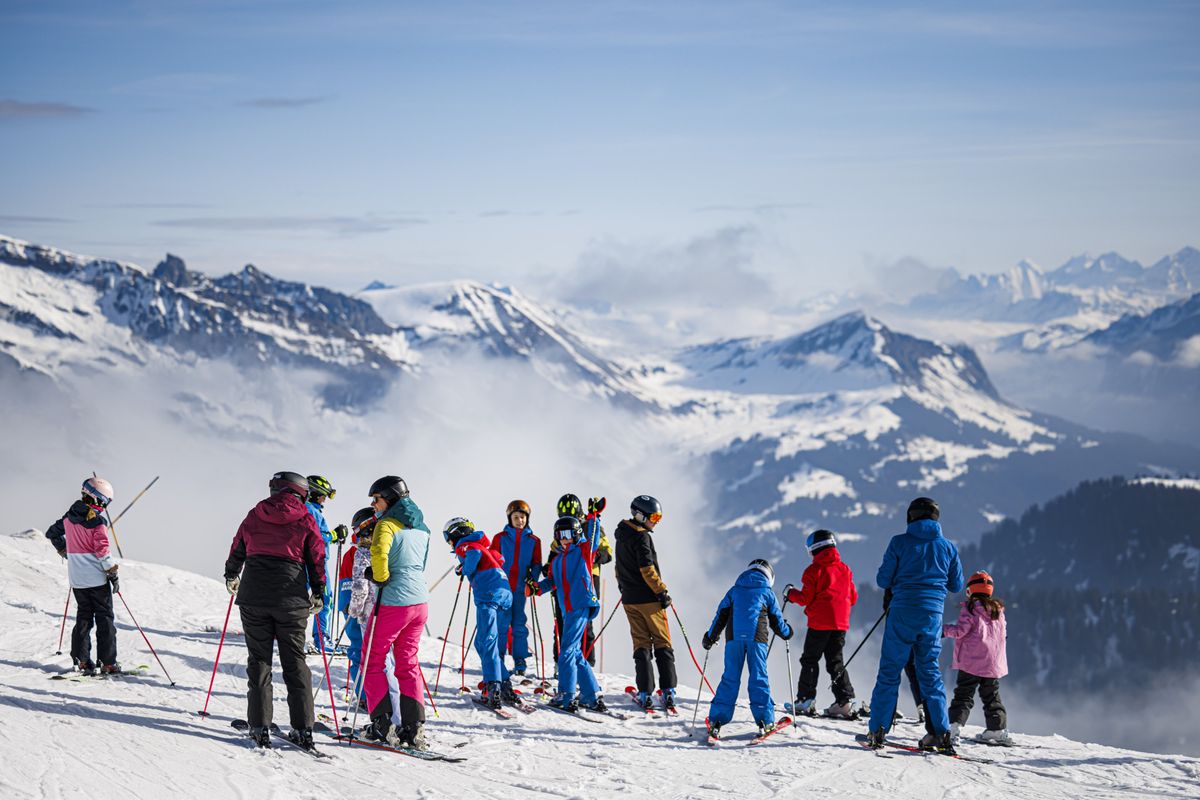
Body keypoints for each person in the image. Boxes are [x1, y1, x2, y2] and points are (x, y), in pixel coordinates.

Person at [223, 471, 326, 749]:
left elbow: (238, 545)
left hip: (254, 595)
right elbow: (316, 557)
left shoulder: (256, 513)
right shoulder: (305, 518)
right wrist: (318, 591)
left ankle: (259, 727)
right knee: (295, 661)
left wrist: (231, 574)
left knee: (259, 661)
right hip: (291, 599)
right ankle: (303, 729)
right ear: (302, 492)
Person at [865, 496, 964, 754]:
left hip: (902, 612)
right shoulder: (948, 547)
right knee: (929, 672)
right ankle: (939, 733)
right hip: (932, 615)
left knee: (890, 670)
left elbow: (882, 578)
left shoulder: (899, 542)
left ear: (911, 516)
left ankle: (878, 730)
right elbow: (956, 585)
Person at [363, 475, 431, 749]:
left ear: (389, 498)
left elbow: (379, 554)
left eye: (376, 499)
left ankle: (382, 724)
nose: (373, 504)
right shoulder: (422, 527)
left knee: (372, 657)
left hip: (394, 601)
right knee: (407, 661)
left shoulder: (386, 524)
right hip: (420, 602)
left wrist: (378, 576)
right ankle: (413, 728)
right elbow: (423, 562)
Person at [701, 559, 792, 739]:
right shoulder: (767, 592)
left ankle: (717, 720)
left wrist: (710, 638)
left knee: (730, 678)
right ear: (768, 576)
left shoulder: (734, 591)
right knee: (758, 677)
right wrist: (787, 632)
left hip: (733, 639)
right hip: (757, 640)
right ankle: (765, 721)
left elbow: (720, 616)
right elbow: (777, 622)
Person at [46, 477, 121, 675]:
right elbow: (103, 551)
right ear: (96, 500)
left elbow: (51, 533)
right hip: (97, 579)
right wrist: (112, 573)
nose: (104, 507)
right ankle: (108, 663)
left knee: (84, 618)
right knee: (105, 619)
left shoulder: (69, 517)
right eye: (104, 503)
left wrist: (64, 550)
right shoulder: (97, 522)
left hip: (77, 580)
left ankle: (82, 661)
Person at [784, 529, 858, 719]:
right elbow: (853, 598)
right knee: (835, 661)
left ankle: (805, 700)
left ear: (815, 549)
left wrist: (790, 593)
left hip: (819, 623)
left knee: (810, 659)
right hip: (840, 624)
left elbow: (805, 598)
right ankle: (845, 700)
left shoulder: (813, 570)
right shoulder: (845, 569)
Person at [614, 494, 677, 711]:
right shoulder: (642, 537)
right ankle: (668, 690)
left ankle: (645, 692)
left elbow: (618, 568)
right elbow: (647, 570)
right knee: (662, 643)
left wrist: (623, 588)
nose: (656, 522)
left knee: (641, 644)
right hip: (649, 599)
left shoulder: (622, 534)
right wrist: (662, 592)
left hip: (630, 600)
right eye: (654, 517)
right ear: (640, 515)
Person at [445, 516, 515, 708]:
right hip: (504, 593)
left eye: (448, 538)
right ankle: (504, 683)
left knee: (486, 641)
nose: (450, 544)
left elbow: (473, 554)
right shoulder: (485, 546)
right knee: (482, 641)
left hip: (488, 594)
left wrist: (465, 569)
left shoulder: (465, 545)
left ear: (455, 533)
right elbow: (500, 559)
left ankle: (492, 688)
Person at [537, 515, 604, 712]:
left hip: (581, 603)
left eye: (568, 534)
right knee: (574, 652)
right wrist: (535, 589)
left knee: (566, 649)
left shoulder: (583, 551)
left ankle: (566, 695)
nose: (564, 538)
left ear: (576, 534)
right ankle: (591, 695)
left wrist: (593, 519)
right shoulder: (557, 560)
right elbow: (551, 582)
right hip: (567, 608)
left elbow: (593, 538)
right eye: (560, 535)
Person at [944, 570, 1010, 745]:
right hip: (992, 665)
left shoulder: (971, 609)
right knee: (992, 696)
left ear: (970, 590)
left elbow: (960, 631)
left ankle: (954, 729)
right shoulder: (998, 611)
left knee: (964, 695)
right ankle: (996, 730)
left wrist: (942, 630)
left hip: (971, 663)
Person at [547, 494, 612, 668]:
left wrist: (592, 556)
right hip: (564, 579)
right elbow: (554, 554)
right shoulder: (562, 531)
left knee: (585, 622)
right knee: (561, 620)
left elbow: (607, 552)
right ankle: (560, 662)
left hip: (588, 577)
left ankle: (587, 663)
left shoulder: (587, 527)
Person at [489, 499, 542, 677]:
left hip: (520, 587)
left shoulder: (534, 541)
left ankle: (520, 659)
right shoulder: (500, 538)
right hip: (503, 588)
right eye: (516, 517)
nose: (520, 520)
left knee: (519, 624)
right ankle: (500, 656)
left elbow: (536, 564)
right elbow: (492, 559)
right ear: (509, 518)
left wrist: (532, 580)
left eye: (523, 517)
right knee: (502, 623)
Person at [338, 506, 377, 706]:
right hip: (362, 611)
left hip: (373, 612)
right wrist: (348, 607)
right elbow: (347, 584)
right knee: (364, 651)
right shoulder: (354, 553)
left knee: (370, 653)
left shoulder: (377, 551)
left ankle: (371, 696)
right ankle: (367, 695)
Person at [306, 474, 337, 652]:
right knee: (325, 599)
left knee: (299, 598)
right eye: (324, 495)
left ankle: (288, 633)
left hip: (304, 561)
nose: (325, 499)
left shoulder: (306, 509)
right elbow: (318, 536)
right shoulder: (312, 511)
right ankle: (321, 639)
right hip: (317, 562)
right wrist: (335, 535)